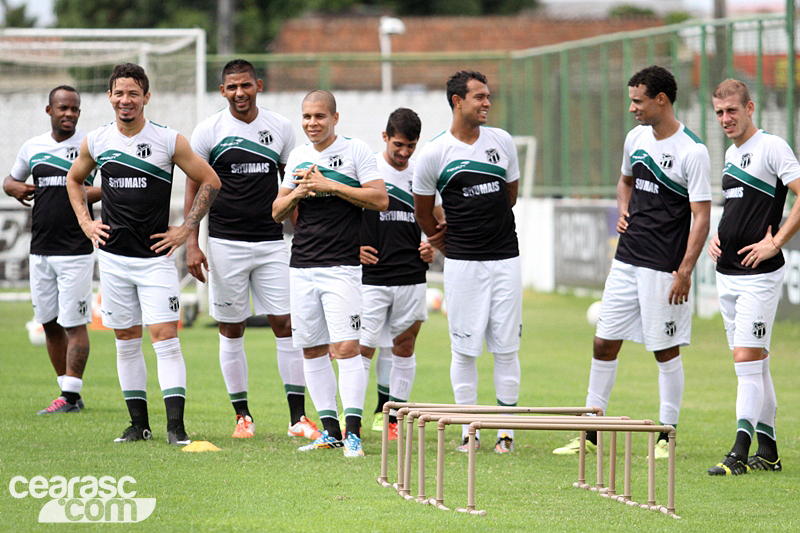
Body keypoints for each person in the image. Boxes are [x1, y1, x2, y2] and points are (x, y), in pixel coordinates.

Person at [552, 65, 711, 459]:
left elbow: (702, 216)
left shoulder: (693, 151)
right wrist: (623, 209)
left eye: (637, 101)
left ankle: (666, 435)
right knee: (604, 342)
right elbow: (625, 181)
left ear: (661, 100)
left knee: (664, 349)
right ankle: (590, 430)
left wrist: (685, 271)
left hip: (664, 265)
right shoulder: (635, 139)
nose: (631, 108)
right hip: (626, 258)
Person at [66, 63, 221, 445]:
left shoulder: (169, 141)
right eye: (119, 93)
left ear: (146, 97)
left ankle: (176, 429)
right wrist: (87, 223)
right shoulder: (97, 140)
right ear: (109, 97)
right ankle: (139, 425)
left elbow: (210, 180)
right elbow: (73, 179)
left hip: (155, 260)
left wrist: (186, 229)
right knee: (126, 340)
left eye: (133, 93)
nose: (125, 100)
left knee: (165, 338)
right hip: (114, 260)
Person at [187, 59, 318, 440]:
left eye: (246, 85)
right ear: (223, 91)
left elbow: (292, 186)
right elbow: (195, 186)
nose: (239, 93)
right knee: (231, 328)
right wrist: (192, 243)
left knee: (286, 324)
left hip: (272, 242)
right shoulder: (208, 130)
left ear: (258, 85)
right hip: (225, 242)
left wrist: (303, 238)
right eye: (231, 87)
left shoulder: (281, 128)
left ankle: (297, 418)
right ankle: (242, 416)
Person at [272, 89, 388, 458]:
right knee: (311, 349)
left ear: (335, 118)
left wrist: (331, 186)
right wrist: (299, 192)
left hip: (342, 268)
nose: (312, 123)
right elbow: (276, 211)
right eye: (306, 117)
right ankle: (330, 431)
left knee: (347, 348)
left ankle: (352, 433)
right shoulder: (298, 156)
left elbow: (380, 199)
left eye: (319, 116)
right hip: (302, 266)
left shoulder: (357, 151)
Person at [413, 70, 522, 454]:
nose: (487, 103)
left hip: (506, 258)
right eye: (479, 97)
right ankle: (468, 432)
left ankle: (505, 434)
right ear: (457, 101)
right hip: (462, 265)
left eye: (488, 96)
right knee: (464, 350)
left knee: (507, 348)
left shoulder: (503, 142)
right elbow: (423, 211)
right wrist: (443, 240)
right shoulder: (433, 152)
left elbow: (509, 195)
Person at [706, 79, 800, 475]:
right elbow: (739, 208)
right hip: (726, 273)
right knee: (754, 362)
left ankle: (739, 453)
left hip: (759, 275)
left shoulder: (772, 146)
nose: (726, 119)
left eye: (732, 110)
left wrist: (776, 242)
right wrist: (718, 235)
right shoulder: (730, 154)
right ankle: (770, 451)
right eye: (719, 113)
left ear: (750, 108)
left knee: (747, 359)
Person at [3, 85, 100, 414]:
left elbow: (105, 186)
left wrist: (82, 192)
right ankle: (66, 391)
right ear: (50, 111)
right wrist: (14, 187)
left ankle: (71, 397)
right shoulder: (34, 147)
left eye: (74, 109)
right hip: (40, 248)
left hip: (75, 248)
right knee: (50, 323)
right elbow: (10, 181)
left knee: (75, 323)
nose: (69, 114)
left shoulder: (91, 146)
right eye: (63, 108)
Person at [359, 108, 443, 440]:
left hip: (411, 274)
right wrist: (354, 246)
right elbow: (343, 214)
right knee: (363, 347)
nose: (404, 152)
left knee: (403, 346)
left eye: (410, 146)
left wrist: (431, 245)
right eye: (398, 145)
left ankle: (391, 416)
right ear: (384, 137)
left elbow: (435, 219)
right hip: (371, 276)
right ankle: (350, 414)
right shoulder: (367, 170)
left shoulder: (421, 174)